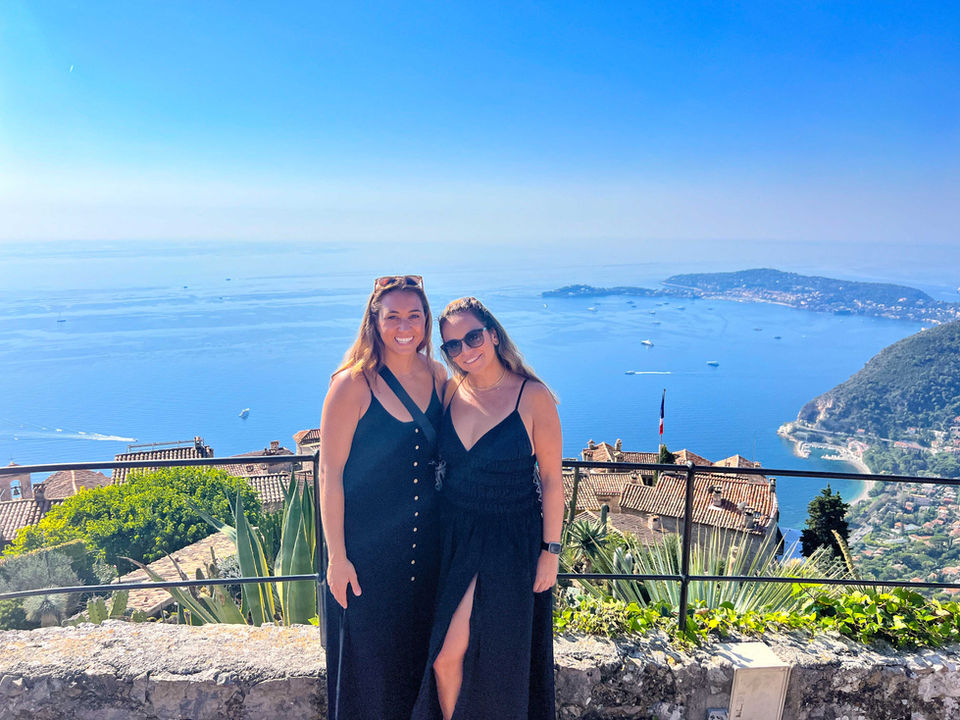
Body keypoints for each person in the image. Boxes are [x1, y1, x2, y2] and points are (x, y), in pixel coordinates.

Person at [412, 296, 563, 720]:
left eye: (472, 336)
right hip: (453, 537)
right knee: (449, 657)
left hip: (509, 541)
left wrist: (550, 552)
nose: (465, 350)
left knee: (486, 658)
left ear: (493, 334)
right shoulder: (449, 388)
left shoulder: (532, 397)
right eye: (452, 346)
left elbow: (552, 480)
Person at [319, 275, 447, 720]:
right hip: (366, 558)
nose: (404, 326)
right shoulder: (351, 385)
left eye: (414, 315)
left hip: (425, 554)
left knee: (418, 667)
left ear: (426, 321)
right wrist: (337, 558)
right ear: (375, 321)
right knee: (368, 672)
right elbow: (329, 474)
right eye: (392, 316)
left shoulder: (438, 375)